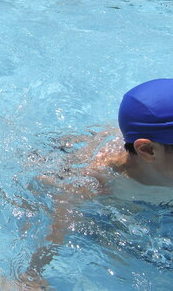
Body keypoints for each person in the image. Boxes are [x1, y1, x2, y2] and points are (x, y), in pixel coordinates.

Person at [24, 79, 173, 285]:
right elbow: (55, 231)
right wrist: (31, 275)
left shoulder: (162, 155)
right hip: (109, 212)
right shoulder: (95, 180)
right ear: (148, 150)